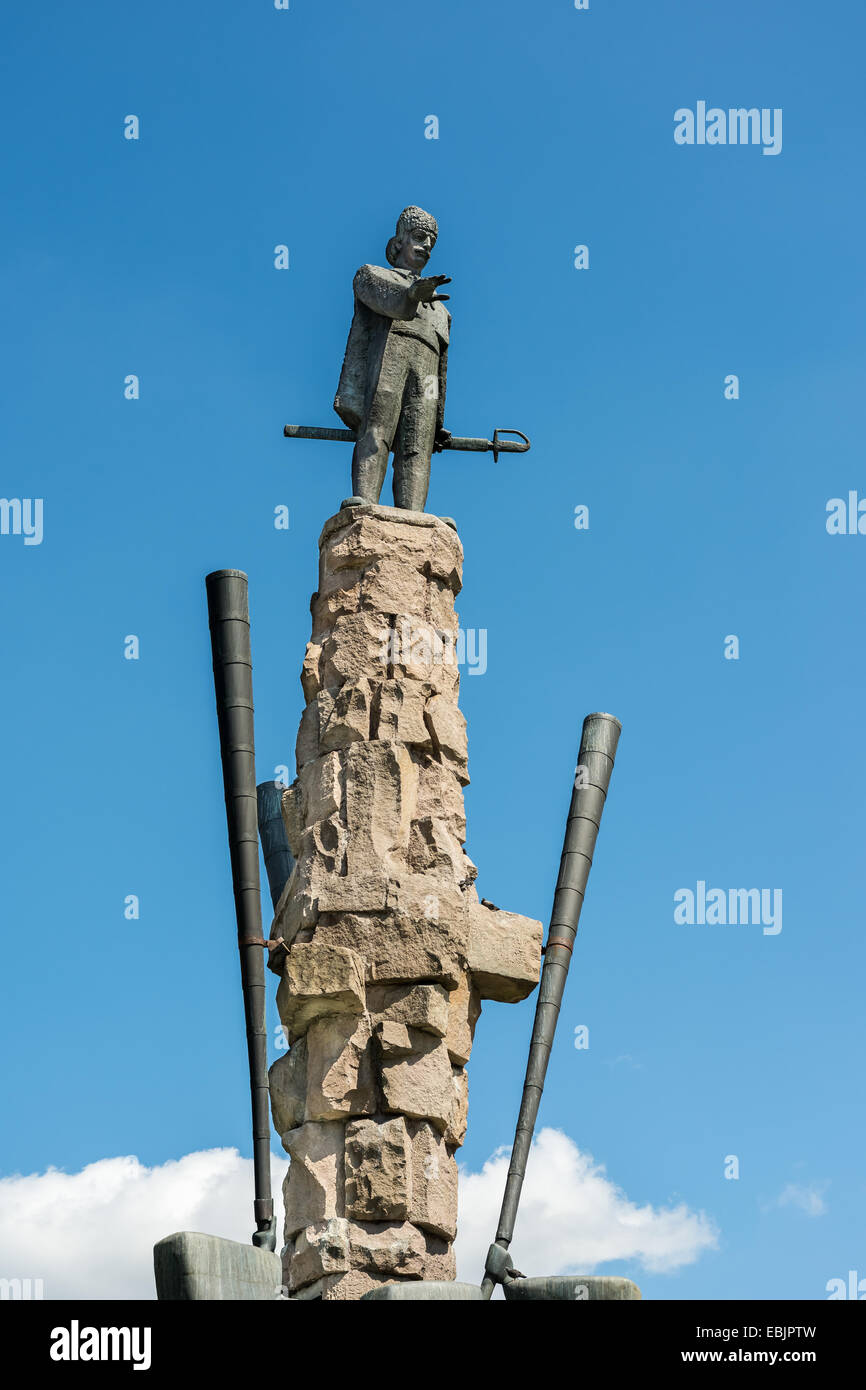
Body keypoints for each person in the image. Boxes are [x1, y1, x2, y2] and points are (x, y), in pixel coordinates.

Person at [334, 206, 452, 514]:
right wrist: (412, 294)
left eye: (431, 242)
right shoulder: (373, 276)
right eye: (419, 237)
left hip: (425, 371)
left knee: (418, 441)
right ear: (398, 241)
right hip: (389, 355)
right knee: (378, 428)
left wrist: (438, 419)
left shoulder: (441, 309)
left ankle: (414, 514)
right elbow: (381, 298)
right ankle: (365, 500)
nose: (426, 246)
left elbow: (440, 368)